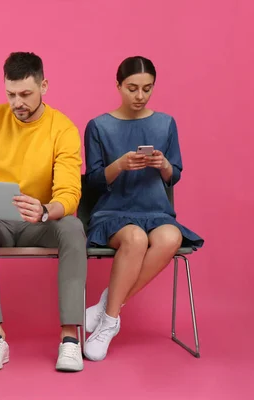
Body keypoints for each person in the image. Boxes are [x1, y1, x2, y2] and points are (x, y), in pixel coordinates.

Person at [0, 52, 87, 372]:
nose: (18, 102)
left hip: (39, 221)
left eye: (26, 94)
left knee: (72, 228)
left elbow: (69, 193)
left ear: (43, 85)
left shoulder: (63, 128)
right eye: (11, 94)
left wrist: (46, 210)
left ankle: (70, 339)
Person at [83, 56, 204, 361]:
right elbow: (93, 182)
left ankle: (107, 310)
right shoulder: (99, 126)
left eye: (147, 89)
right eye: (132, 88)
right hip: (112, 212)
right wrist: (120, 164)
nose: (139, 96)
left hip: (156, 210)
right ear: (118, 85)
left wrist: (164, 165)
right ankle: (109, 323)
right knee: (135, 238)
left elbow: (174, 175)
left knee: (170, 239)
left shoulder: (165, 123)